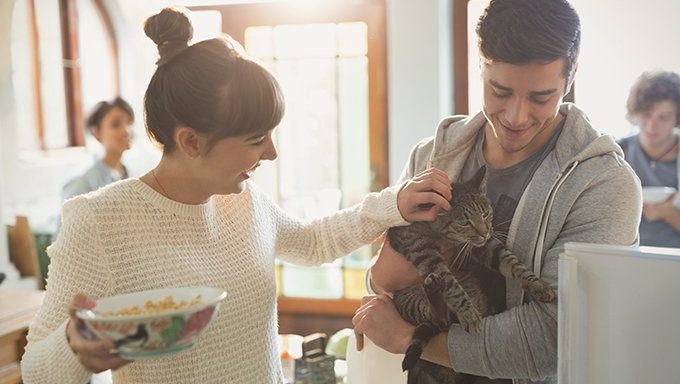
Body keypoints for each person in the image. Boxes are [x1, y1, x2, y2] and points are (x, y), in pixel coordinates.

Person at [19, 7, 453, 384]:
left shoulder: (243, 201)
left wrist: (392, 205)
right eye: (255, 139)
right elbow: (35, 370)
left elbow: (313, 241)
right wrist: (73, 347)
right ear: (191, 142)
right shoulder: (99, 221)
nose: (271, 152)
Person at [352, 1, 642, 383]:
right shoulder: (431, 156)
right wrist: (377, 278)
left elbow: (554, 340)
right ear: (481, 65)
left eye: (540, 97)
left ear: (571, 78)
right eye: (499, 91)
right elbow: (388, 283)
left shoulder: (604, 185)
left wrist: (408, 339)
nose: (516, 117)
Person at [618, 70, 680, 247]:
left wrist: (668, 213)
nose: (652, 125)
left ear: (676, 118)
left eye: (664, 117)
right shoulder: (618, 151)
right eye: (646, 114)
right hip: (628, 256)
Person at [62, 97, 135, 200]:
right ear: (96, 133)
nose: (126, 131)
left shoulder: (132, 174)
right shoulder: (81, 181)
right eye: (116, 125)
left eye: (129, 123)